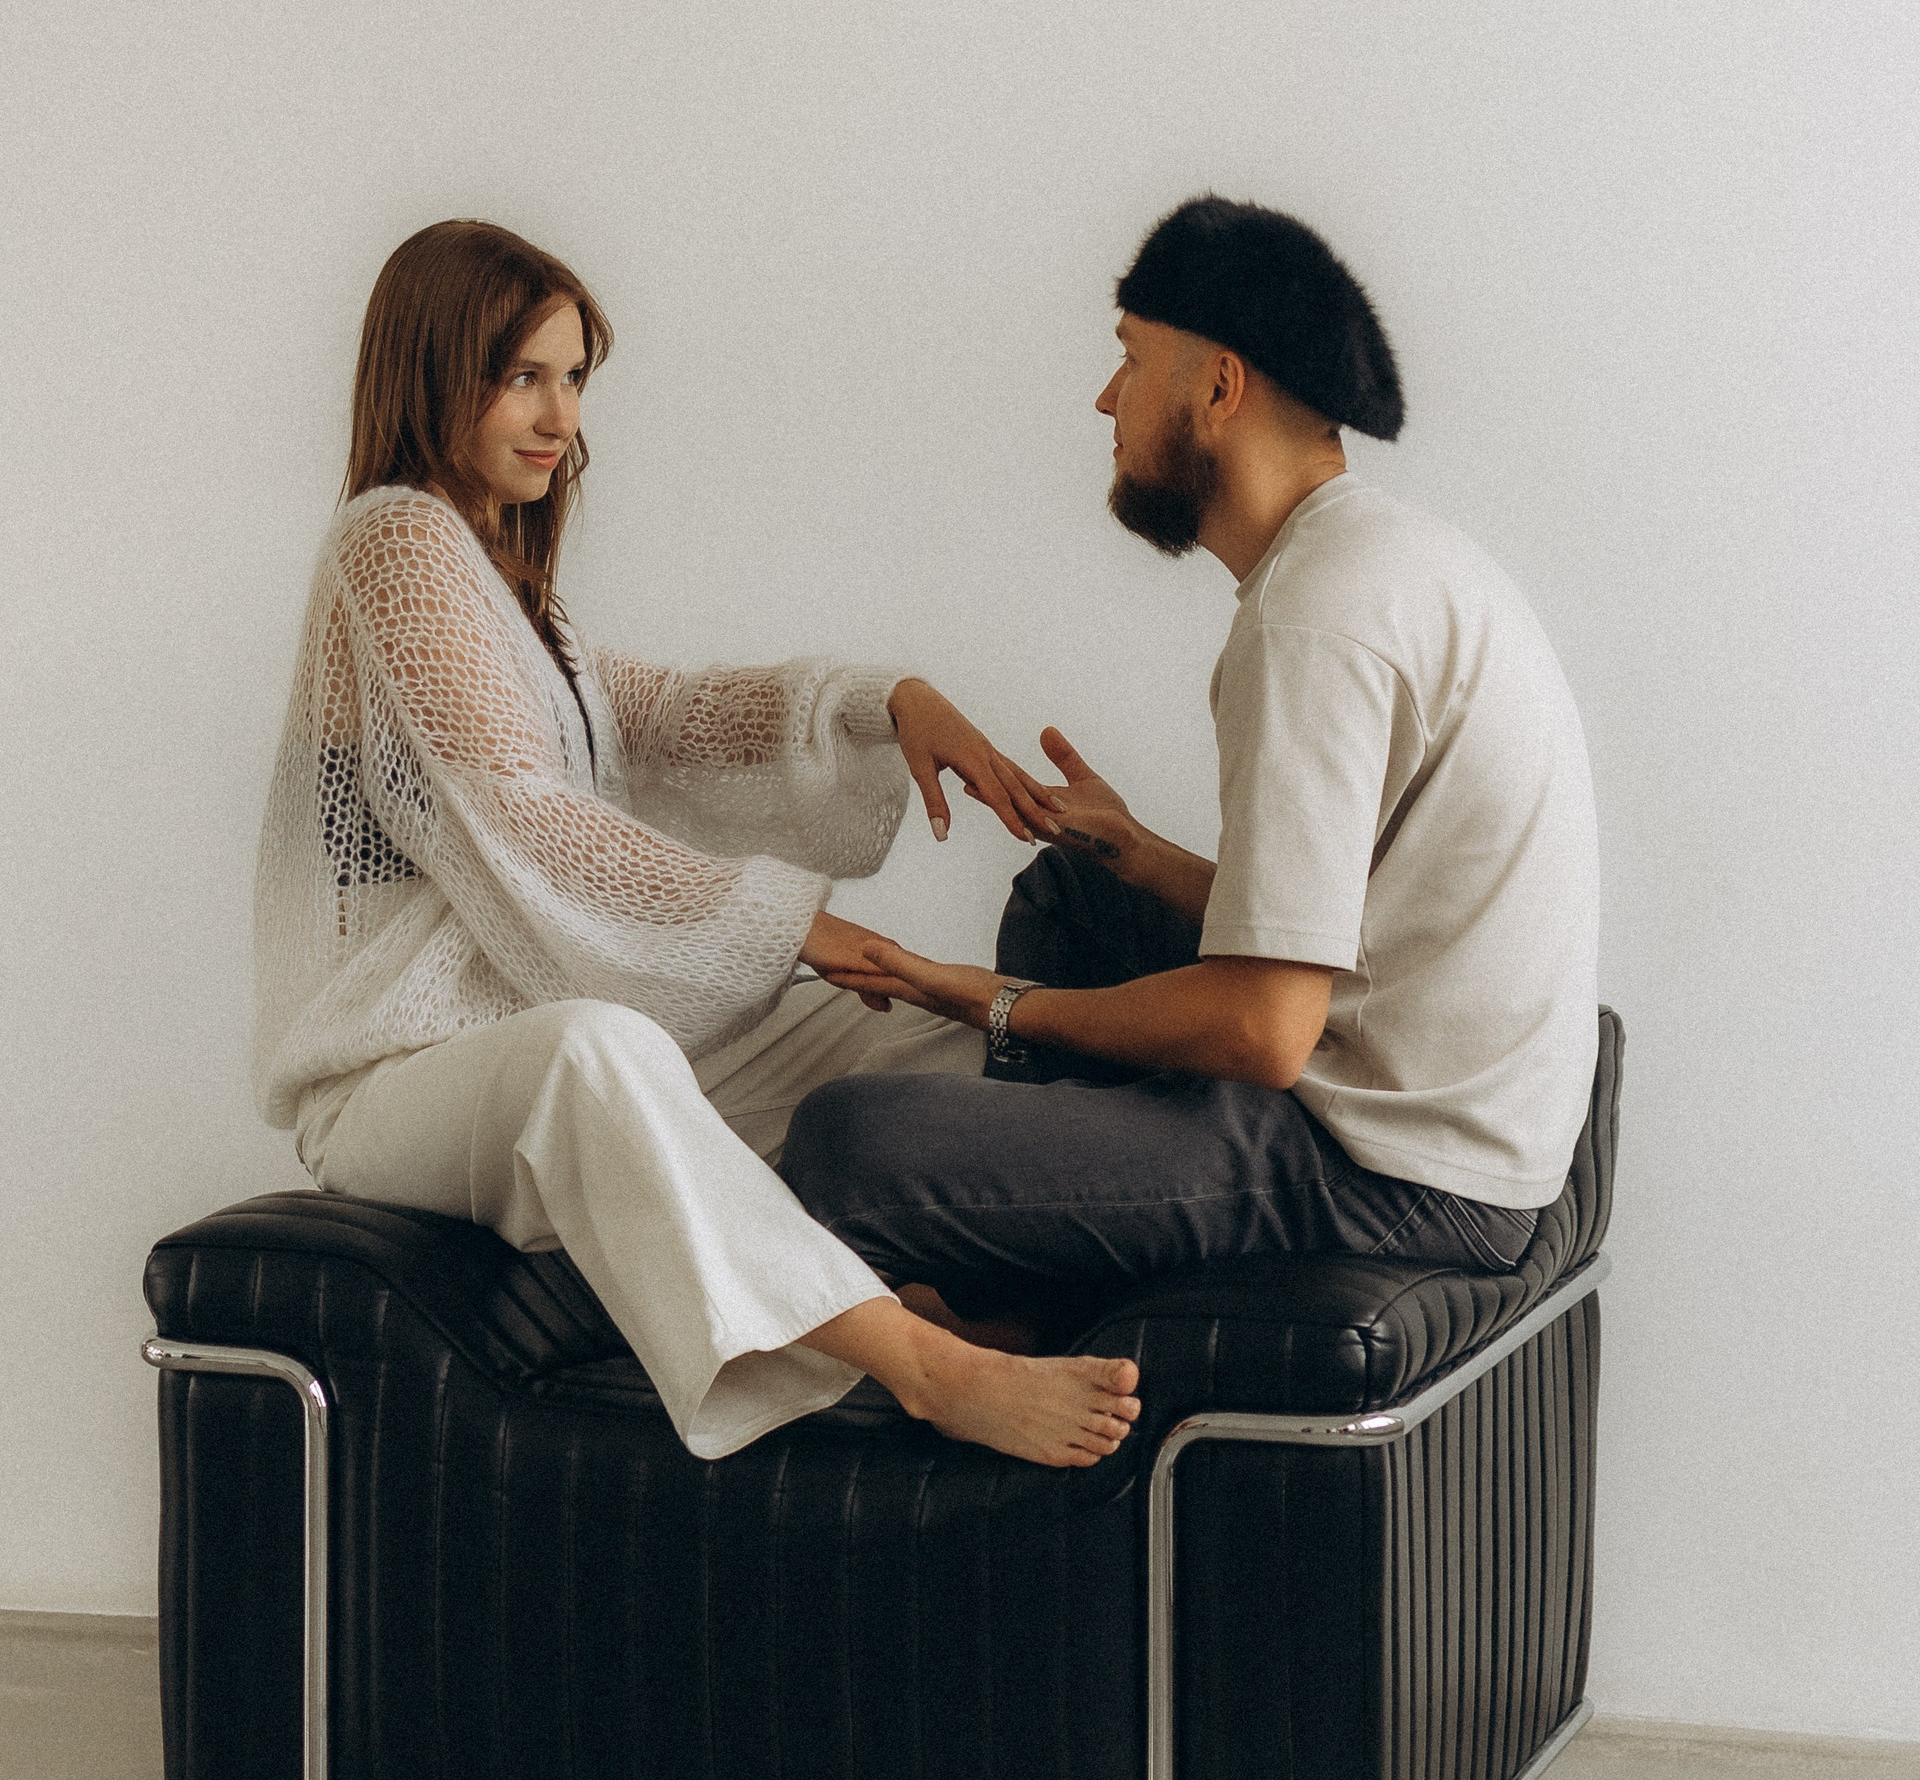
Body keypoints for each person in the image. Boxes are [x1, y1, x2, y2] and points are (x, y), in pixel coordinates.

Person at [254, 219, 1140, 1465]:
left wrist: (886, 699)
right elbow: (529, 817)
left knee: (934, 1030)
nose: (560, 417)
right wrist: (793, 926)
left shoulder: (512, 592)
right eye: (522, 377)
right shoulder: (393, 547)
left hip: (519, 1035)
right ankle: (926, 1365)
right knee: (595, 1049)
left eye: (574, 377)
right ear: (430, 371)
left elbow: (663, 715)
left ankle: (977, 1291)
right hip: (394, 1083)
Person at [787, 196, 1601, 1343]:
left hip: (1398, 1174)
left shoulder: (1315, 622)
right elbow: (1343, 935)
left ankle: (1030, 1313)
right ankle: (1037, 1306)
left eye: (1130, 360)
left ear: (1218, 388)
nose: (1105, 399)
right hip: (1430, 1107)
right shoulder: (1380, 561)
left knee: (847, 1144)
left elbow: (1264, 1031)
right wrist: (1139, 855)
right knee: (1076, 892)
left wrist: (994, 1003)